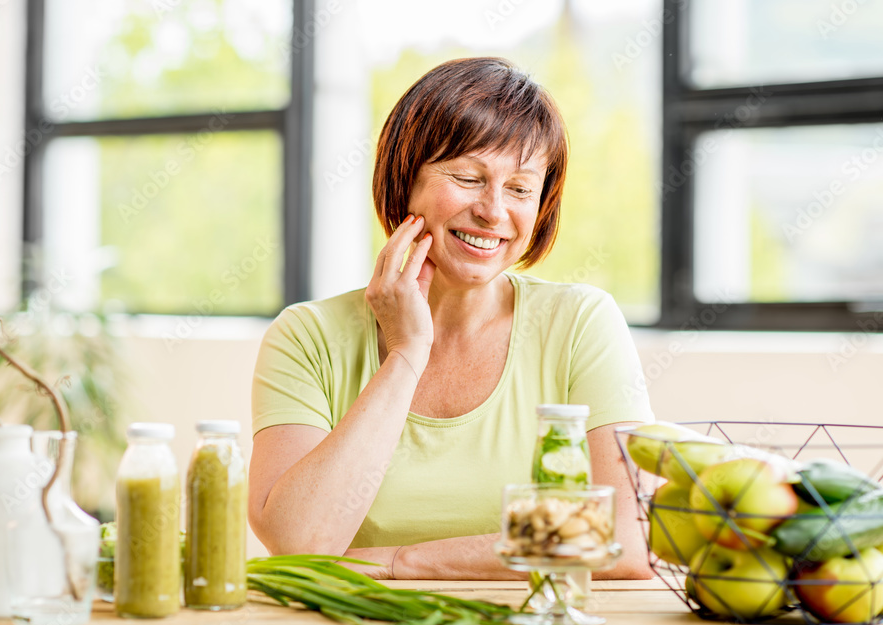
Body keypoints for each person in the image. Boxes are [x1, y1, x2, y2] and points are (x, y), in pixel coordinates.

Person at [249, 57, 654, 580]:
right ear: (404, 180)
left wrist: (405, 561)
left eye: (521, 189)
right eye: (468, 177)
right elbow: (299, 542)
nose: (493, 211)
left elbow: (630, 536)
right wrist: (406, 354)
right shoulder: (307, 337)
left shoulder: (580, 323)